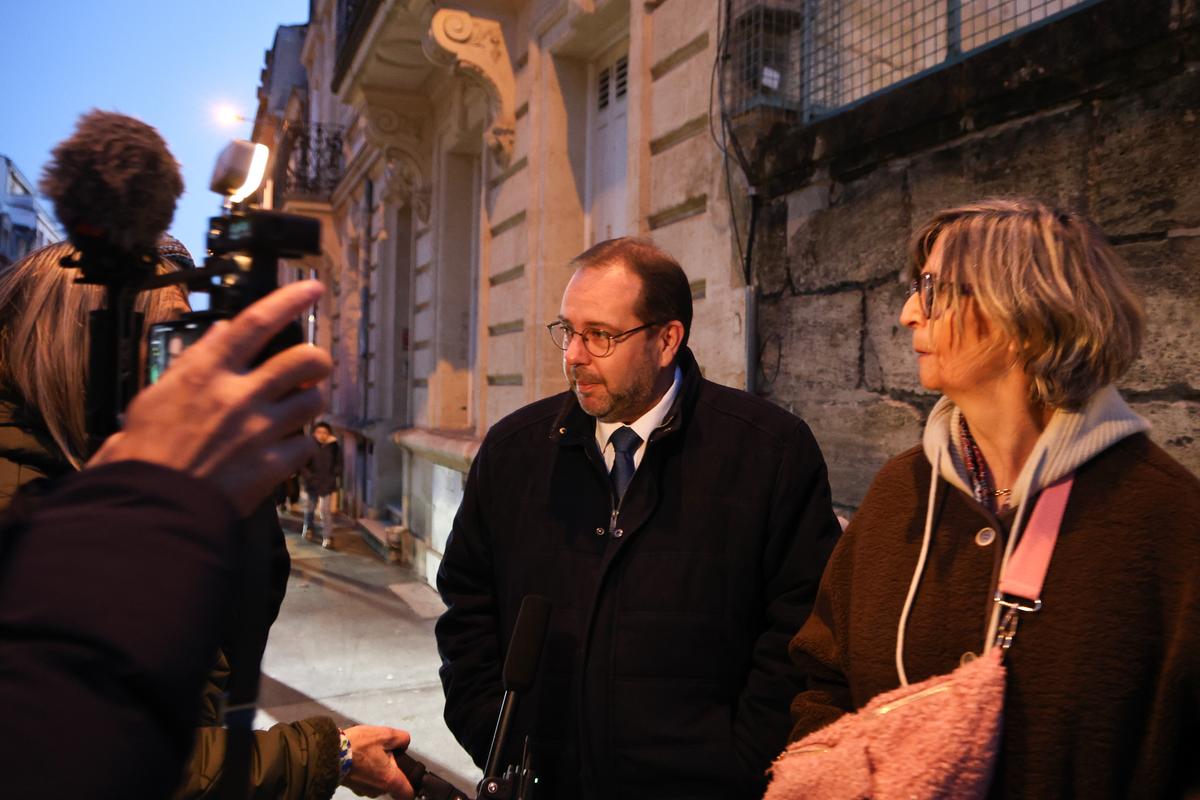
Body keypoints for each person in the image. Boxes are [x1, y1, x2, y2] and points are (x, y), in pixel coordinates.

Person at [786, 199, 1200, 797]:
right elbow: (824, 680)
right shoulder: (898, 495)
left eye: (930, 290)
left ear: (1022, 312)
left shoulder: (1167, 523)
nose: (907, 315)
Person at [0, 243, 414, 800]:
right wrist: (330, 754)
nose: (193, 370)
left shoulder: (94, 473)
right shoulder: (27, 499)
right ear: (88, 349)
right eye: (169, 343)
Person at [435, 238, 842, 799]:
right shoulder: (514, 452)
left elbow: (801, 628)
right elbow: (466, 607)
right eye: (567, 330)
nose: (574, 355)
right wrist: (498, 737)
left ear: (667, 339)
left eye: (600, 335)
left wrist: (739, 762)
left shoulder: (769, 451)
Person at [301, 421, 341, 548]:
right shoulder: (308, 446)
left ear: (329, 434)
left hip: (327, 483)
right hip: (312, 482)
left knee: (325, 511)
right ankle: (308, 527)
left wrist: (334, 475)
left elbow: (339, 463)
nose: (322, 435)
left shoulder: (334, 446)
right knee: (310, 508)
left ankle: (327, 537)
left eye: (325, 432)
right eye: (319, 432)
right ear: (314, 433)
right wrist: (309, 477)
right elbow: (302, 464)